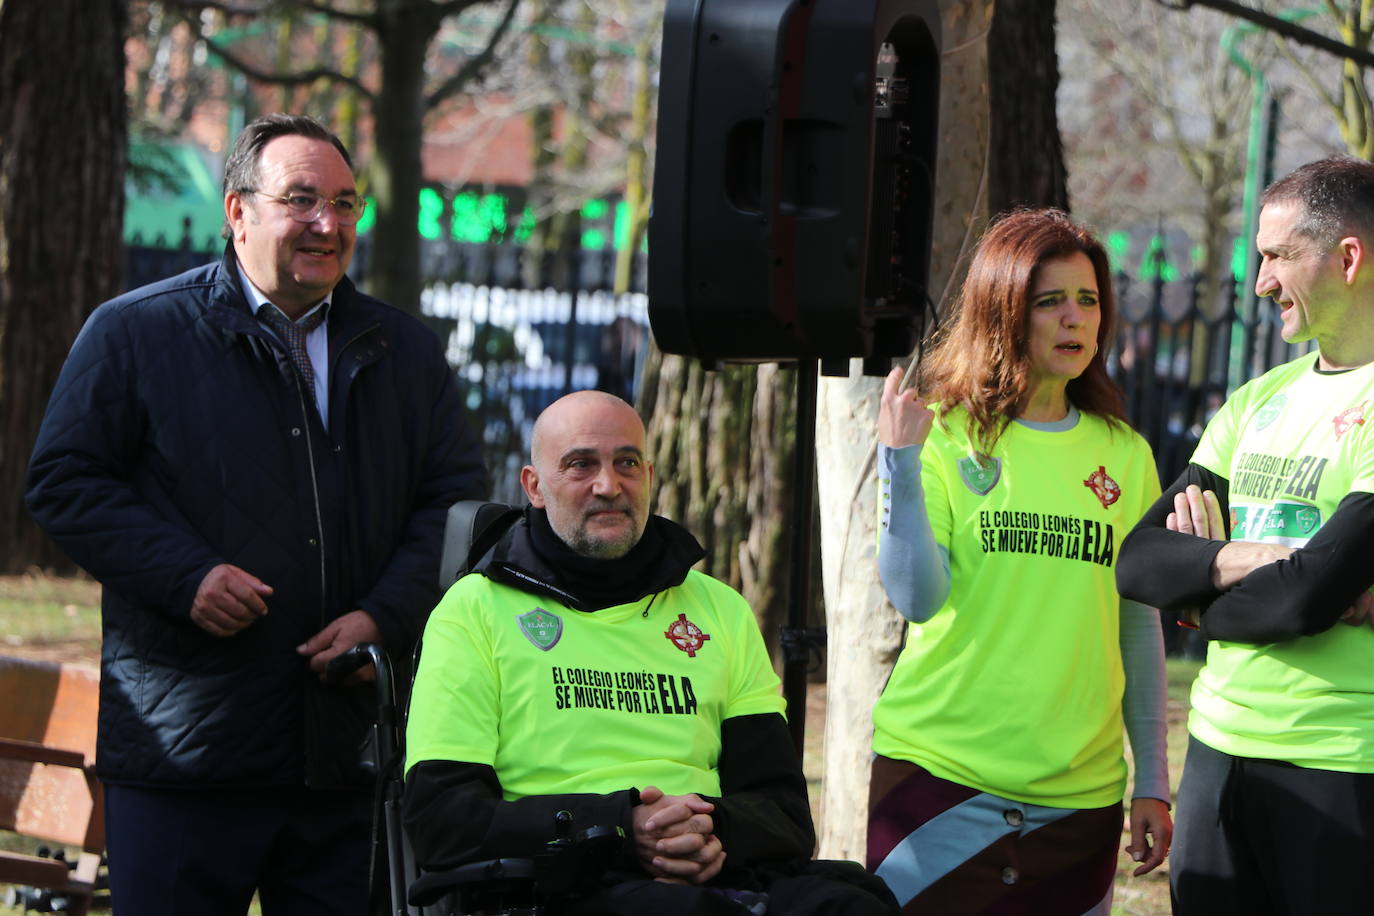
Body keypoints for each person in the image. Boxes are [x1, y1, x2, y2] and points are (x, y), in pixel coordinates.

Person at [25, 113, 487, 915]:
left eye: (345, 204)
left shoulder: (404, 352)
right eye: (301, 199)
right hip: (189, 755)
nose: (327, 224)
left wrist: (385, 613)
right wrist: (186, 575)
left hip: (348, 753)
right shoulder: (136, 333)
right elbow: (65, 481)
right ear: (237, 212)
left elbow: (453, 504)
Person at [403, 390, 896, 915]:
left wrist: (713, 830)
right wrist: (618, 828)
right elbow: (442, 819)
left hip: (717, 872)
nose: (608, 485)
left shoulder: (718, 609)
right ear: (535, 487)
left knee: (858, 904)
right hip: (559, 883)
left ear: (651, 476)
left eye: (627, 463)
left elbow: (785, 813)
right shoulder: (474, 610)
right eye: (580, 464)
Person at [866, 208, 1172, 915]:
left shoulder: (1125, 454)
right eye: (1050, 302)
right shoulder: (941, 433)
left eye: (1088, 301)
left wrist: (1151, 778)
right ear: (1004, 311)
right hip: (939, 779)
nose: (1075, 320)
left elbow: (1138, 624)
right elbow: (915, 596)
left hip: (1079, 799)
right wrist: (900, 463)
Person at [1116, 156, 1374, 915]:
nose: (1260, 282)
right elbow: (1139, 561)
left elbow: (1305, 602)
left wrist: (1200, 593)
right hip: (1217, 755)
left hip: (1342, 764)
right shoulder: (1256, 401)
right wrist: (1258, 562)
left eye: (1277, 256)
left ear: (1349, 257)